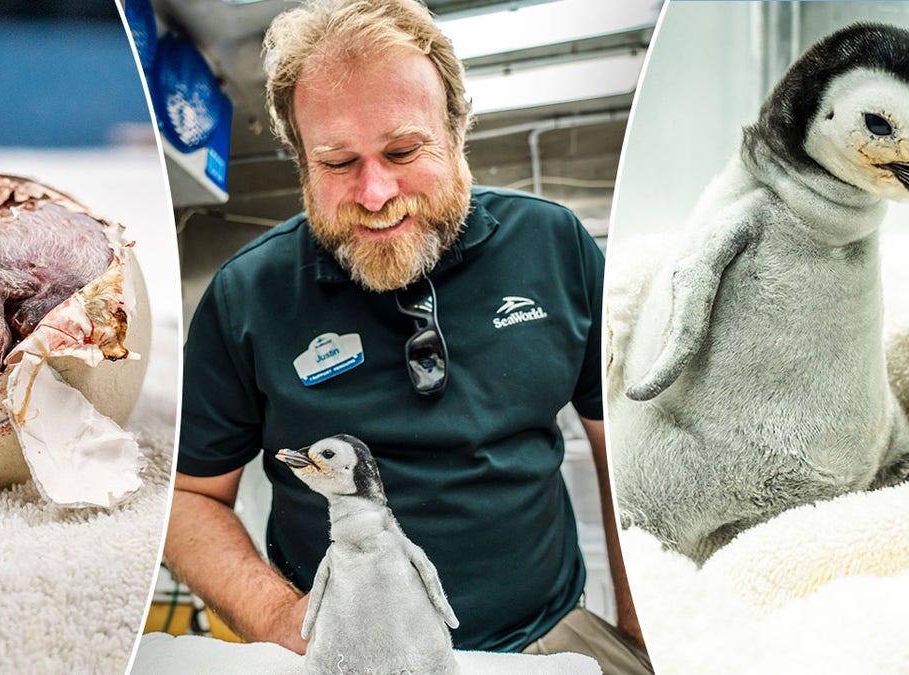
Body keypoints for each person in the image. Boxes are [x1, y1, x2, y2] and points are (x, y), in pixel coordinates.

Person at [164, 0, 651, 672]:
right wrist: (277, 613)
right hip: (348, 654)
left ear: (456, 131)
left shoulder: (555, 245)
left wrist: (640, 622)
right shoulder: (247, 295)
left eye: (402, 149)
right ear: (301, 163)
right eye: (337, 162)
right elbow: (187, 496)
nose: (374, 191)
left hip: (548, 637)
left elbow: (625, 444)